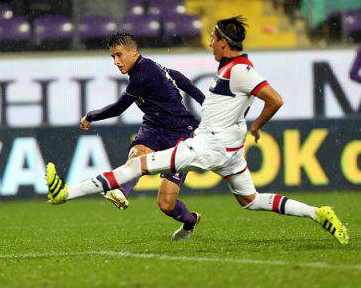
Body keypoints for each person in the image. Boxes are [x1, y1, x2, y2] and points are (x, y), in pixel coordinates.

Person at [46, 16, 349, 245]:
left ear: (224, 42)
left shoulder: (240, 70)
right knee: (251, 200)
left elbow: (274, 99)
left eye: (214, 38)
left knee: (134, 167)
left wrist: (257, 126)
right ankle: (317, 212)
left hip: (204, 145)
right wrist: (223, 114)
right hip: (229, 152)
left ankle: (65, 194)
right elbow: (185, 82)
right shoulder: (228, 69)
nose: (210, 43)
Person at [78, 32, 205, 239]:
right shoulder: (149, 66)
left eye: (119, 55)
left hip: (180, 133)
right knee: (136, 155)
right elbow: (178, 77)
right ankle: (121, 193)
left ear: (133, 51)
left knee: (166, 204)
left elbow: (118, 108)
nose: (116, 62)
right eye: (113, 57)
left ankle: (190, 221)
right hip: (153, 127)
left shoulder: (143, 74)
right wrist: (203, 100)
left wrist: (90, 116)